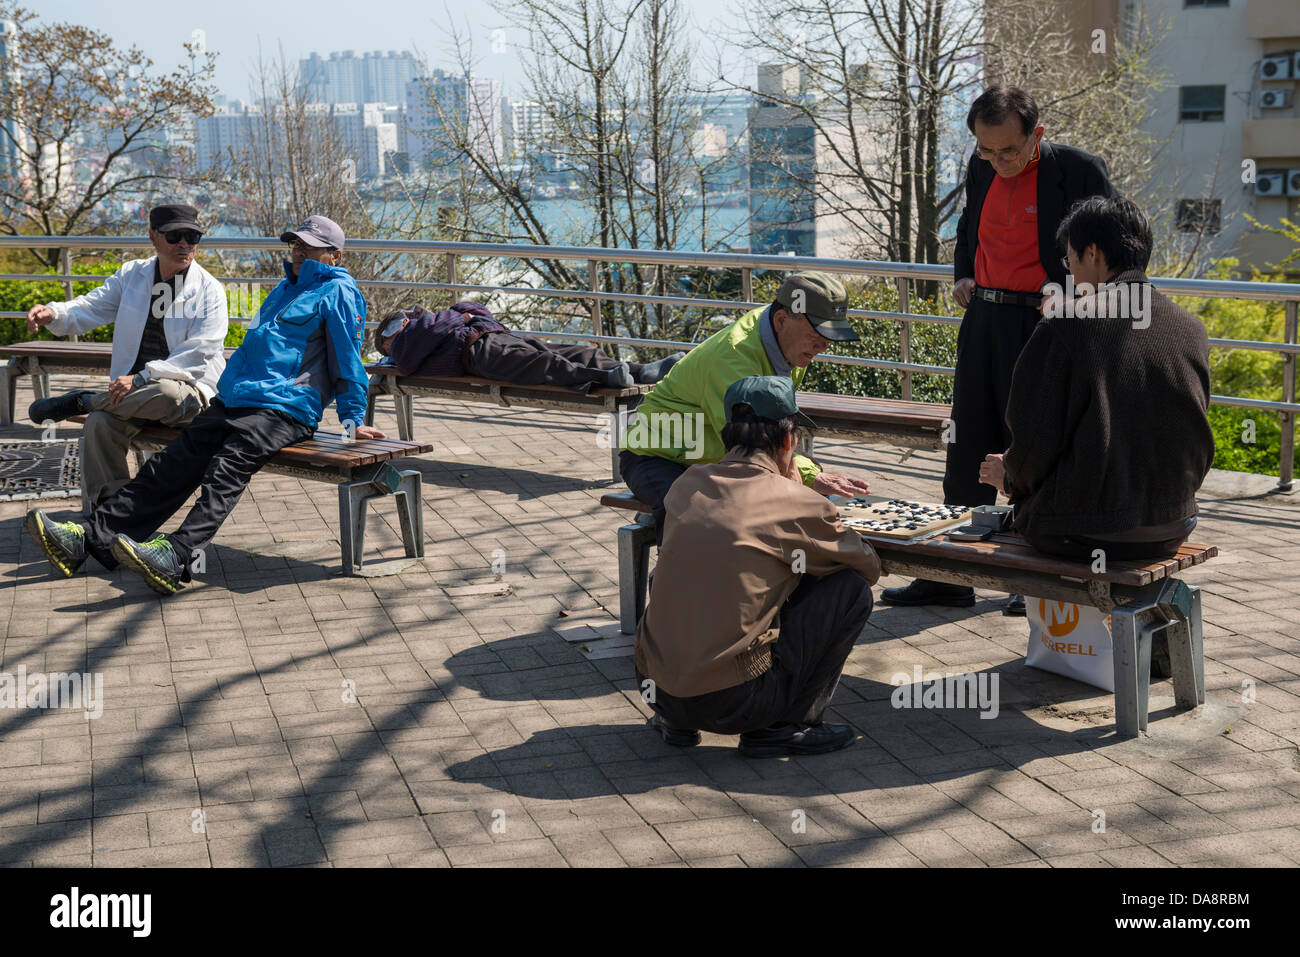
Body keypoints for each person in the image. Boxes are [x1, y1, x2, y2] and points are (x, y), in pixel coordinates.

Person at [26, 215, 384, 595]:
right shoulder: (285, 288)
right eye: (295, 244)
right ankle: (89, 539)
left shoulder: (340, 293)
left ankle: (177, 555)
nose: (298, 252)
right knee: (171, 465)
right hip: (234, 399)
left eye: (309, 247)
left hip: (285, 407)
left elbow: (349, 363)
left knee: (224, 471)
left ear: (335, 255)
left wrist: (352, 420)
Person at [883, 85, 1115, 615]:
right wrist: (962, 271)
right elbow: (970, 222)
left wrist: (1073, 292)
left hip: (1045, 321)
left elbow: (1112, 249)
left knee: (1033, 443)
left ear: (1037, 134)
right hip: (984, 316)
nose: (996, 161)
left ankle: (1029, 576)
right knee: (967, 442)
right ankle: (948, 576)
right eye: (986, 150)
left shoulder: (1079, 170)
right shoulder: (981, 163)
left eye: (1007, 150)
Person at [635, 376, 880, 758]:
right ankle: (783, 727)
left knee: (677, 573)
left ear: (725, 436)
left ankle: (677, 721)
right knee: (849, 589)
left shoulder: (686, 484)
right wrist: (797, 493)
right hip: (737, 702)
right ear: (789, 441)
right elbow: (867, 565)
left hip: (657, 691)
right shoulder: (794, 500)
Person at [978, 195, 1214, 558]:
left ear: (1093, 254)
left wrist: (1009, 476)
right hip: (1174, 525)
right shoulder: (1190, 328)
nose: (1069, 271)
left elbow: (1033, 440)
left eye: (1069, 258)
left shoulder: (1067, 323)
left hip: (1083, 531)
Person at [619, 271, 872, 540]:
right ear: (782, 319)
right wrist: (808, 477)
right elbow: (752, 448)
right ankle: (674, 580)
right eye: (817, 334)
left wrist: (808, 475)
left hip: (711, 456)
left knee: (768, 509)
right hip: (656, 457)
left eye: (830, 336)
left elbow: (768, 438)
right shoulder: (734, 358)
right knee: (699, 518)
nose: (824, 345)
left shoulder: (786, 339)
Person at [26, 204, 228, 508]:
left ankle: (84, 400)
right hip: (130, 394)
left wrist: (141, 378)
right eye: (175, 236)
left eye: (193, 237)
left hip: (186, 394)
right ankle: (109, 511)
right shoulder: (133, 274)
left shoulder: (210, 290)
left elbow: (199, 353)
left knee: (167, 392)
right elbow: (92, 306)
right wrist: (55, 312)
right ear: (153, 237)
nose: (185, 244)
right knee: (99, 424)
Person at [375, 302, 684, 390]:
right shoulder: (404, 350)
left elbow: (479, 311)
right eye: (390, 330)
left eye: (399, 319)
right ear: (388, 346)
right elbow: (450, 320)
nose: (401, 324)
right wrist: (456, 316)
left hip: (494, 336)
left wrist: (458, 314)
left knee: (570, 351)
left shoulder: (427, 328)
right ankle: (607, 378)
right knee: (543, 365)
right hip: (477, 355)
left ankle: (641, 370)